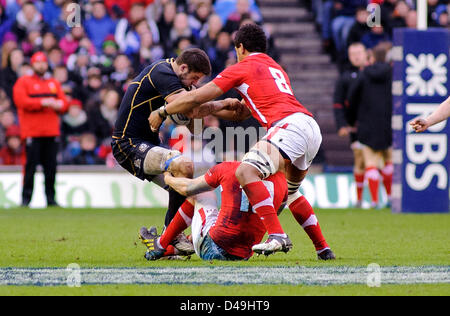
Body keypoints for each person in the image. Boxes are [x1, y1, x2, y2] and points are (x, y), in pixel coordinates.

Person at [149, 24, 335, 258]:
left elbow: (196, 95)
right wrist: (214, 110)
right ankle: (323, 249)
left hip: (287, 127)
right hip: (309, 127)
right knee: (290, 193)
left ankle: (277, 235)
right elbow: (243, 111)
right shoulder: (274, 67)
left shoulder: (242, 66)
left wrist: (163, 112)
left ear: (240, 47)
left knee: (245, 172)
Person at [111, 48, 235, 254]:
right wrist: (223, 103)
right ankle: (173, 234)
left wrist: (227, 109)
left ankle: (165, 243)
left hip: (149, 145)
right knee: (183, 165)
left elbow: (195, 127)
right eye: (193, 78)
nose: (193, 85)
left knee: (193, 190)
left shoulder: (174, 78)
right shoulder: (163, 72)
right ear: (183, 67)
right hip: (128, 144)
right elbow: (192, 108)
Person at [140, 161, 288, 261]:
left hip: (213, 248)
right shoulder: (282, 182)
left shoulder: (228, 167)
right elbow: (271, 215)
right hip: (244, 255)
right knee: (223, 219)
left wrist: (167, 178)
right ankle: (178, 246)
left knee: (201, 193)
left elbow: (187, 188)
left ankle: (160, 244)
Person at [13, 51, 68, 207]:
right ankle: (26, 199)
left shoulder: (53, 83)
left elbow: (64, 103)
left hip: (51, 132)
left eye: (43, 62)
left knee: (50, 168)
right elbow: (21, 102)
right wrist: (43, 102)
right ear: (32, 64)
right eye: (38, 62)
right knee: (30, 167)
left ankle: (51, 199)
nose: (41, 65)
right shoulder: (23, 82)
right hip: (32, 132)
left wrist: (59, 105)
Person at [347, 43, 393, 209]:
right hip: (388, 124)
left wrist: (352, 119)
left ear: (372, 57)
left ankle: (374, 201)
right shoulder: (393, 73)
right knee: (388, 161)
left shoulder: (364, 73)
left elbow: (351, 98)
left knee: (371, 163)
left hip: (367, 125)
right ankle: (390, 197)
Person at [333, 42, 368, 207]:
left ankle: (382, 197)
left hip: (376, 124)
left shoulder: (374, 73)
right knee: (360, 159)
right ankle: (362, 199)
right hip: (356, 126)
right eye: (353, 53)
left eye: (359, 53)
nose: (356, 56)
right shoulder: (345, 77)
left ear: (366, 53)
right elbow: (338, 104)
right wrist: (342, 125)